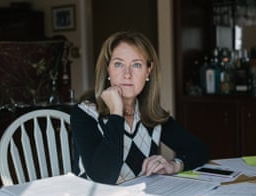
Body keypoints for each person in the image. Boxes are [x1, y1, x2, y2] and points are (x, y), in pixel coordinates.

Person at [70, 31, 209, 185]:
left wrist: (174, 165)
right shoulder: (84, 113)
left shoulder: (149, 115)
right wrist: (116, 112)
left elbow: (199, 149)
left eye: (136, 65)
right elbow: (103, 177)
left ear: (148, 71)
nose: (127, 74)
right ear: (107, 69)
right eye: (118, 64)